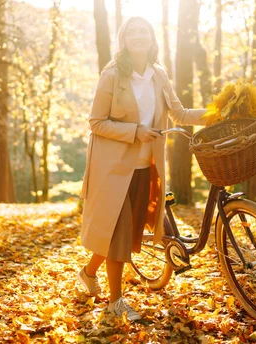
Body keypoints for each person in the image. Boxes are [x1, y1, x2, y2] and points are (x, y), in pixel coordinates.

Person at [77, 16, 207, 321]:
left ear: (151, 38)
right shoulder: (111, 76)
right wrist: (135, 131)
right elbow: (96, 123)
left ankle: (88, 272)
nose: (138, 36)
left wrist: (219, 113)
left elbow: (179, 113)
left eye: (144, 31)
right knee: (119, 232)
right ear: (124, 39)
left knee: (121, 233)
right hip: (112, 169)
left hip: (145, 167)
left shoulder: (158, 74)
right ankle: (115, 302)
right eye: (132, 32)